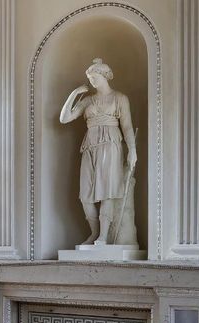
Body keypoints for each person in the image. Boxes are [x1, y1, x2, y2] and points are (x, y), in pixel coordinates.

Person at [59, 58, 137, 245]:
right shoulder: (87, 100)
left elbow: (127, 126)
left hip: (111, 143)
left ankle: (103, 236)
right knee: (85, 194)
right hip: (90, 144)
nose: (93, 81)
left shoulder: (120, 98)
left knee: (107, 190)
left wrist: (132, 150)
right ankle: (94, 233)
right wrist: (75, 93)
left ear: (105, 76)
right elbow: (65, 118)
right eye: (90, 78)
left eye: (95, 77)